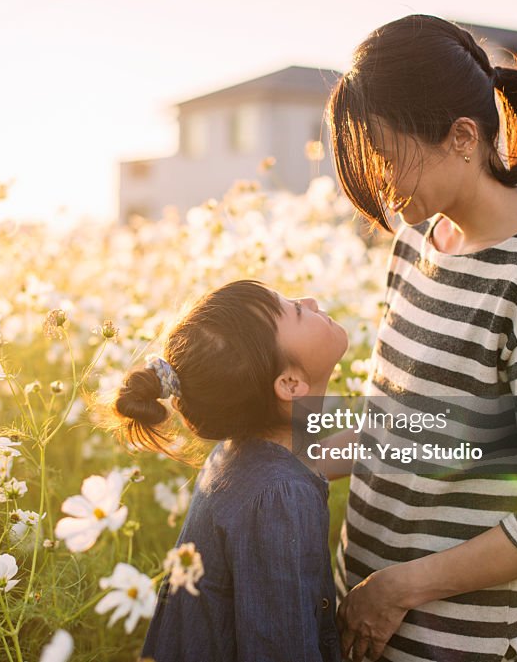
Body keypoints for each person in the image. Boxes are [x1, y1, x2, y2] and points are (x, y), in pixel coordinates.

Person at [315, 15, 517, 662]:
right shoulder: (418, 240)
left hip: (452, 641)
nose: (383, 182)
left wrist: (398, 588)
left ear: (461, 137)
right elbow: (399, 423)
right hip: (367, 617)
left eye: (389, 155)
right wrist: (276, 457)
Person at [114, 279, 348, 662]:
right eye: (299, 311)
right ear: (290, 384)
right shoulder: (279, 499)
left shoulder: (240, 457)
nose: (309, 299)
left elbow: (316, 461)